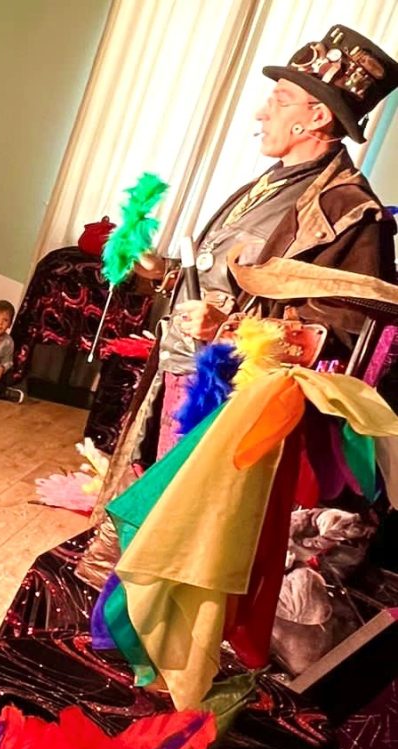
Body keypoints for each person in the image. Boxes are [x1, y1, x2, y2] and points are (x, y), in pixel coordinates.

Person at [117, 24, 397, 468]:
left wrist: (225, 329)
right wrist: (163, 268)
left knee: (181, 526)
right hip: (178, 372)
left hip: (234, 403)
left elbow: (345, 337)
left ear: (318, 116)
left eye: (279, 100)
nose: (260, 113)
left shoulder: (349, 212)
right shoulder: (270, 183)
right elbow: (231, 280)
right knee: (139, 508)